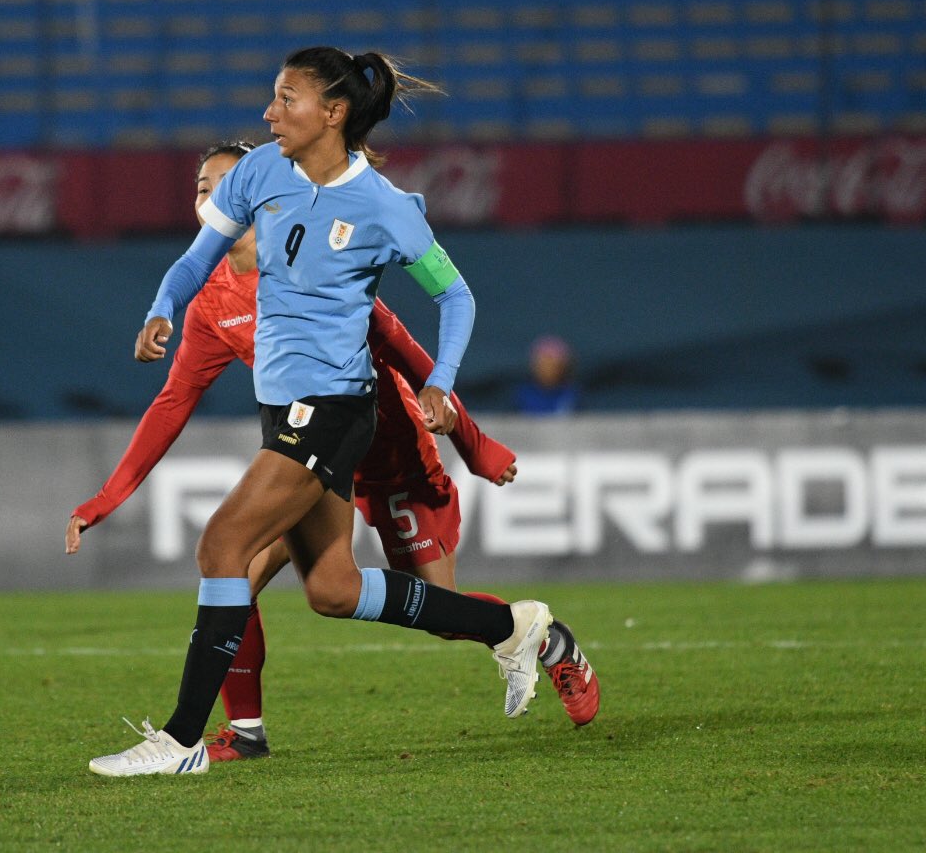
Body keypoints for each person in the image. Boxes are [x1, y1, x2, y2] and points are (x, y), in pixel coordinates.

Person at [88, 47, 599, 777]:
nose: (269, 112)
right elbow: (199, 256)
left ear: (331, 113)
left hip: (331, 407)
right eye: (272, 97)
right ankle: (516, 627)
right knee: (333, 588)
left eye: (286, 98)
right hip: (283, 410)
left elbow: (455, 295)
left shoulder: (383, 207)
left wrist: (441, 383)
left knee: (221, 545)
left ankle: (179, 741)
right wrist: (162, 307)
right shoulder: (262, 171)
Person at [515, 334, 578, 415]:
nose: (548, 369)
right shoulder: (520, 396)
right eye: (543, 364)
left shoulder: (574, 396)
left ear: (563, 367)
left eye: (553, 364)